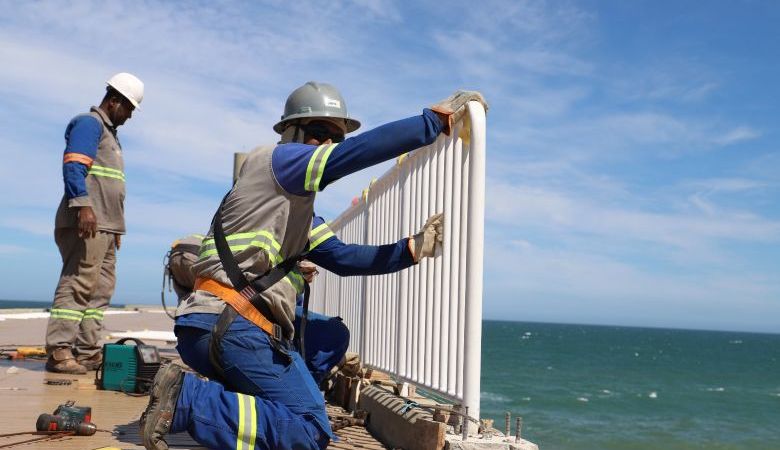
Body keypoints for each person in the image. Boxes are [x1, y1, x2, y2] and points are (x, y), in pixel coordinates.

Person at [140, 83, 487, 450]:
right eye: (319, 133)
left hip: (213, 326)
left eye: (335, 138)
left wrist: (412, 249)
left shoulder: (295, 212)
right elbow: (352, 155)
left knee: (331, 337)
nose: (327, 144)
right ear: (290, 132)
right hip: (232, 325)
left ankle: (259, 407)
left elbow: (343, 259)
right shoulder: (278, 161)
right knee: (310, 430)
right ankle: (188, 401)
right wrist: (432, 123)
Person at [45, 72, 144, 374]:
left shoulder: (111, 136)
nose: (129, 116)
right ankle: (59, 350)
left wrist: (115, 227)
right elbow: (74, 165)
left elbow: (109, 186)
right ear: (114, 101)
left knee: (100, 291)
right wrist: (83, 206)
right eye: (129, 108)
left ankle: (87, 351)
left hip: (106, 226)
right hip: (86, 221)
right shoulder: (90, 124)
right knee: (78, 284)